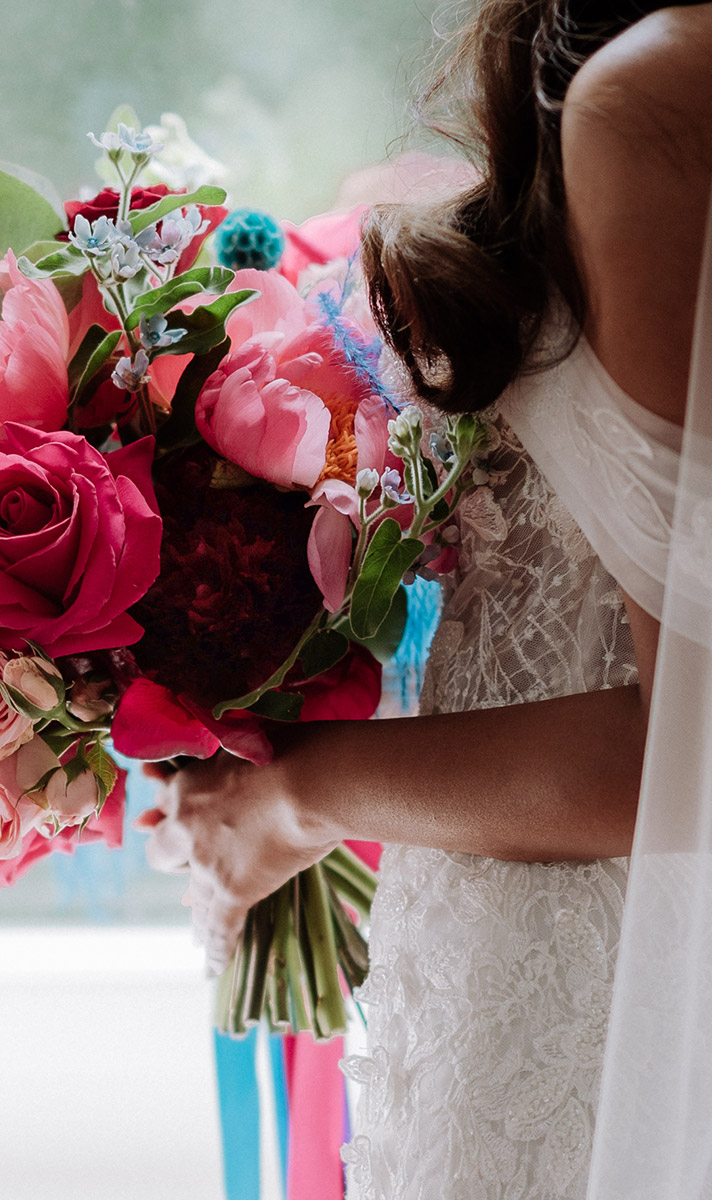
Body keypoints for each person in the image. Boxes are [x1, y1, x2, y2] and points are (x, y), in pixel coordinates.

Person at [143, 1, 712, 1196]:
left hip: (617, 1033)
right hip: (529, 993)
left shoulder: (656, 99)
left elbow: (689, 753)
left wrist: (296, 797)